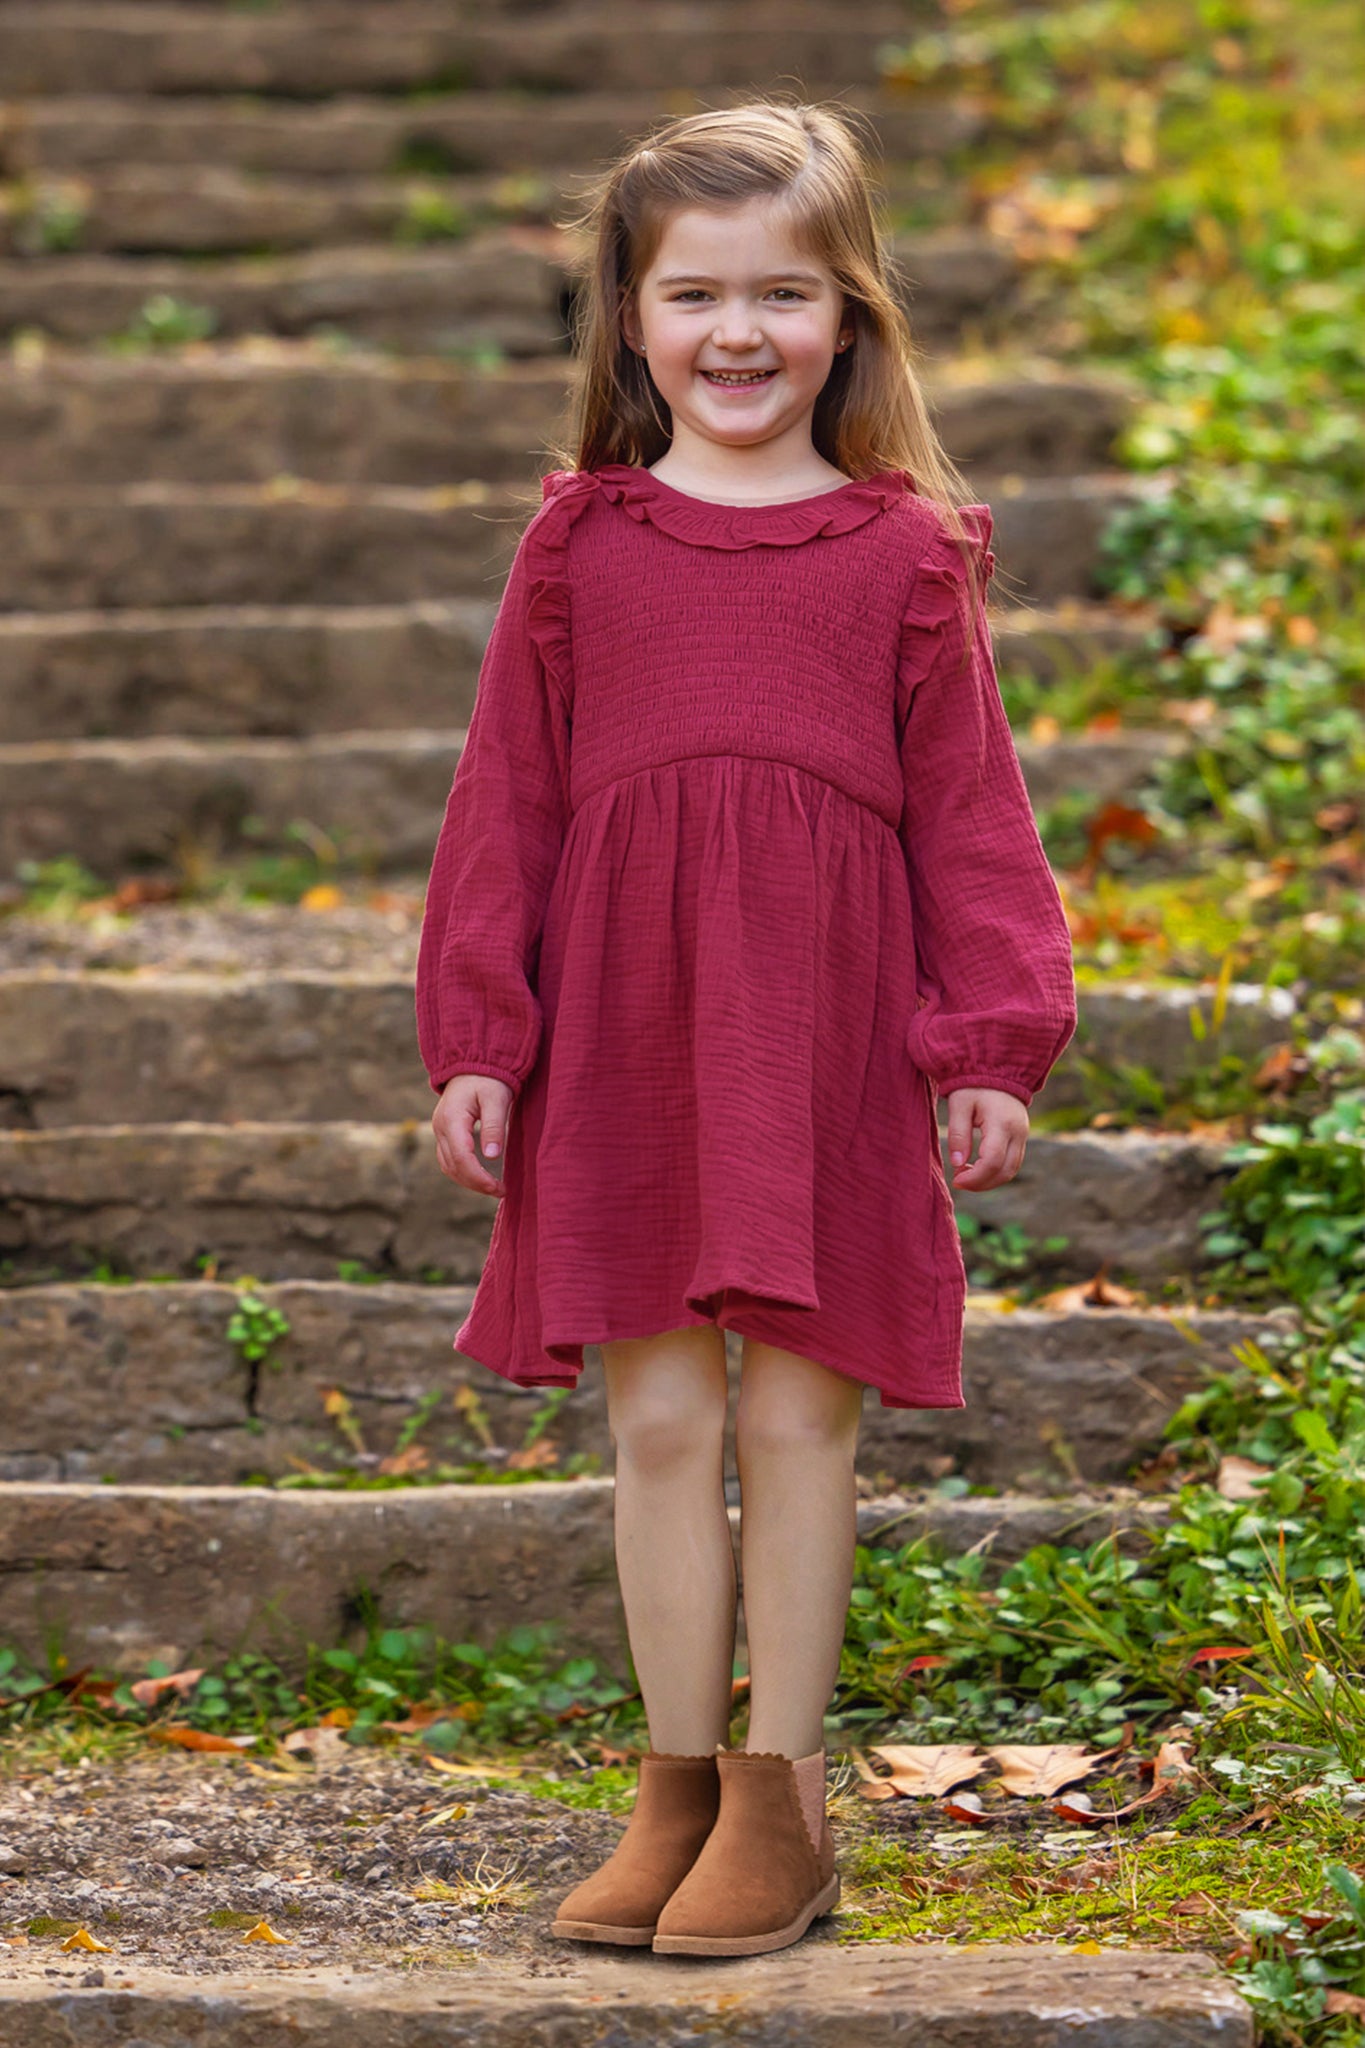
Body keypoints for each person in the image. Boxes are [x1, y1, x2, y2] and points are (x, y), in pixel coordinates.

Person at [414, 97, 1077, 1959]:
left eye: (783, 293)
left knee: (796, 1412)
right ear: (627, 319)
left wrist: (989, 1039)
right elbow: (505, 802)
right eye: (691, 293)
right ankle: (674, 1787)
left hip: (832, 1023)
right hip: (622, 1016)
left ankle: (779, 1802)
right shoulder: (579, 546)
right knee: (650, 1413)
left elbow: (972, 815)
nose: (735, 334)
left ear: (849, 317)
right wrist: (480, 1024)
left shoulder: (903, 551)